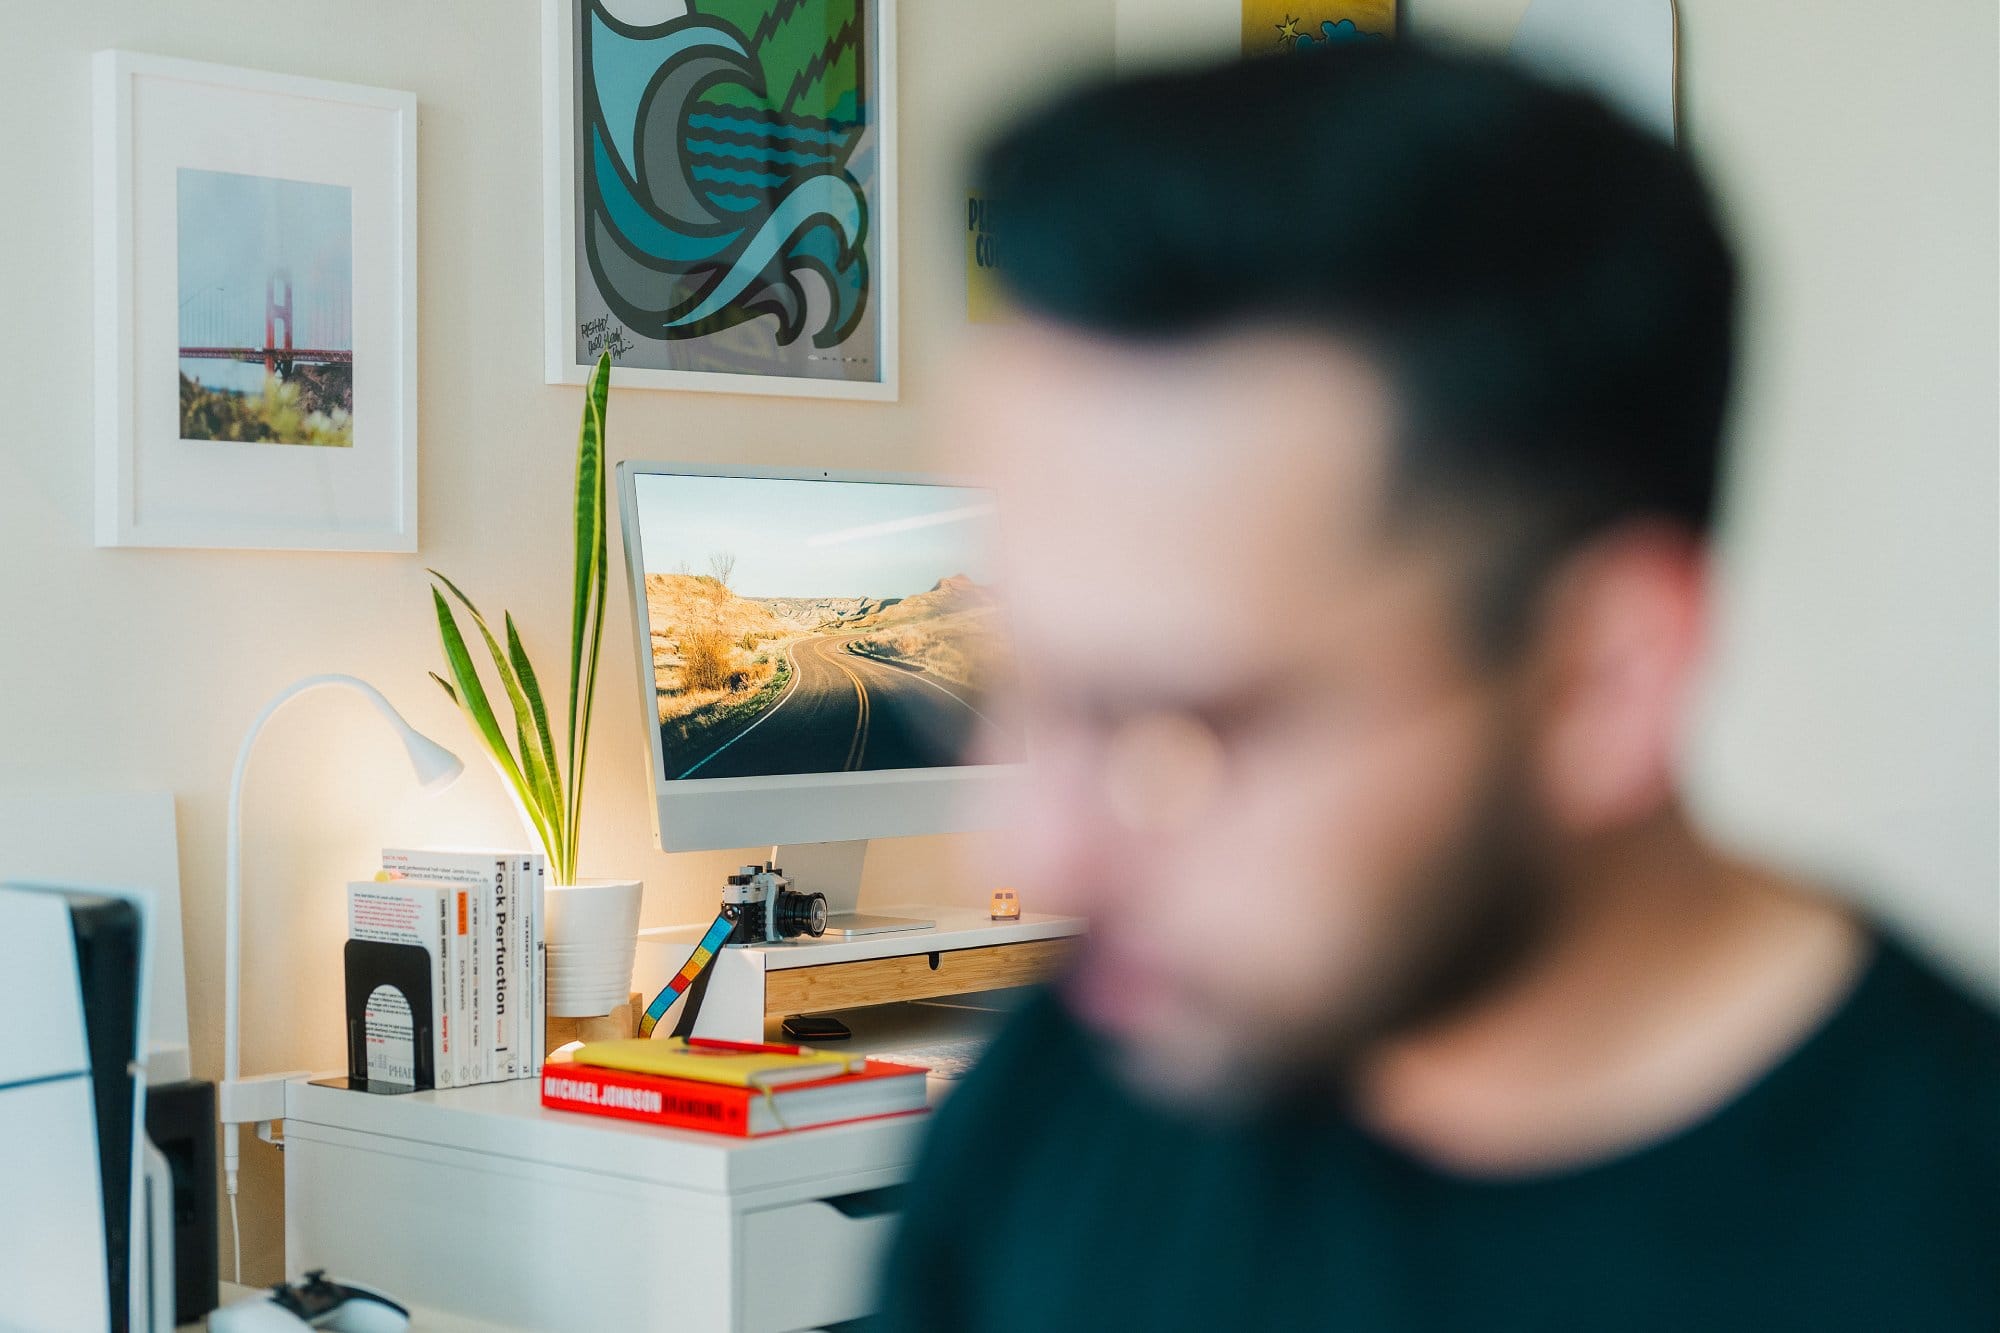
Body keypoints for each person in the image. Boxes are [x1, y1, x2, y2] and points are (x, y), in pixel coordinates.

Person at [874, 42, 1998, 1332]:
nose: (1023, 855)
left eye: (1177, 735)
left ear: (1604, 679)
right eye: (1016, 688)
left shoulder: (1945, 1241)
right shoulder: (1077, 1091)